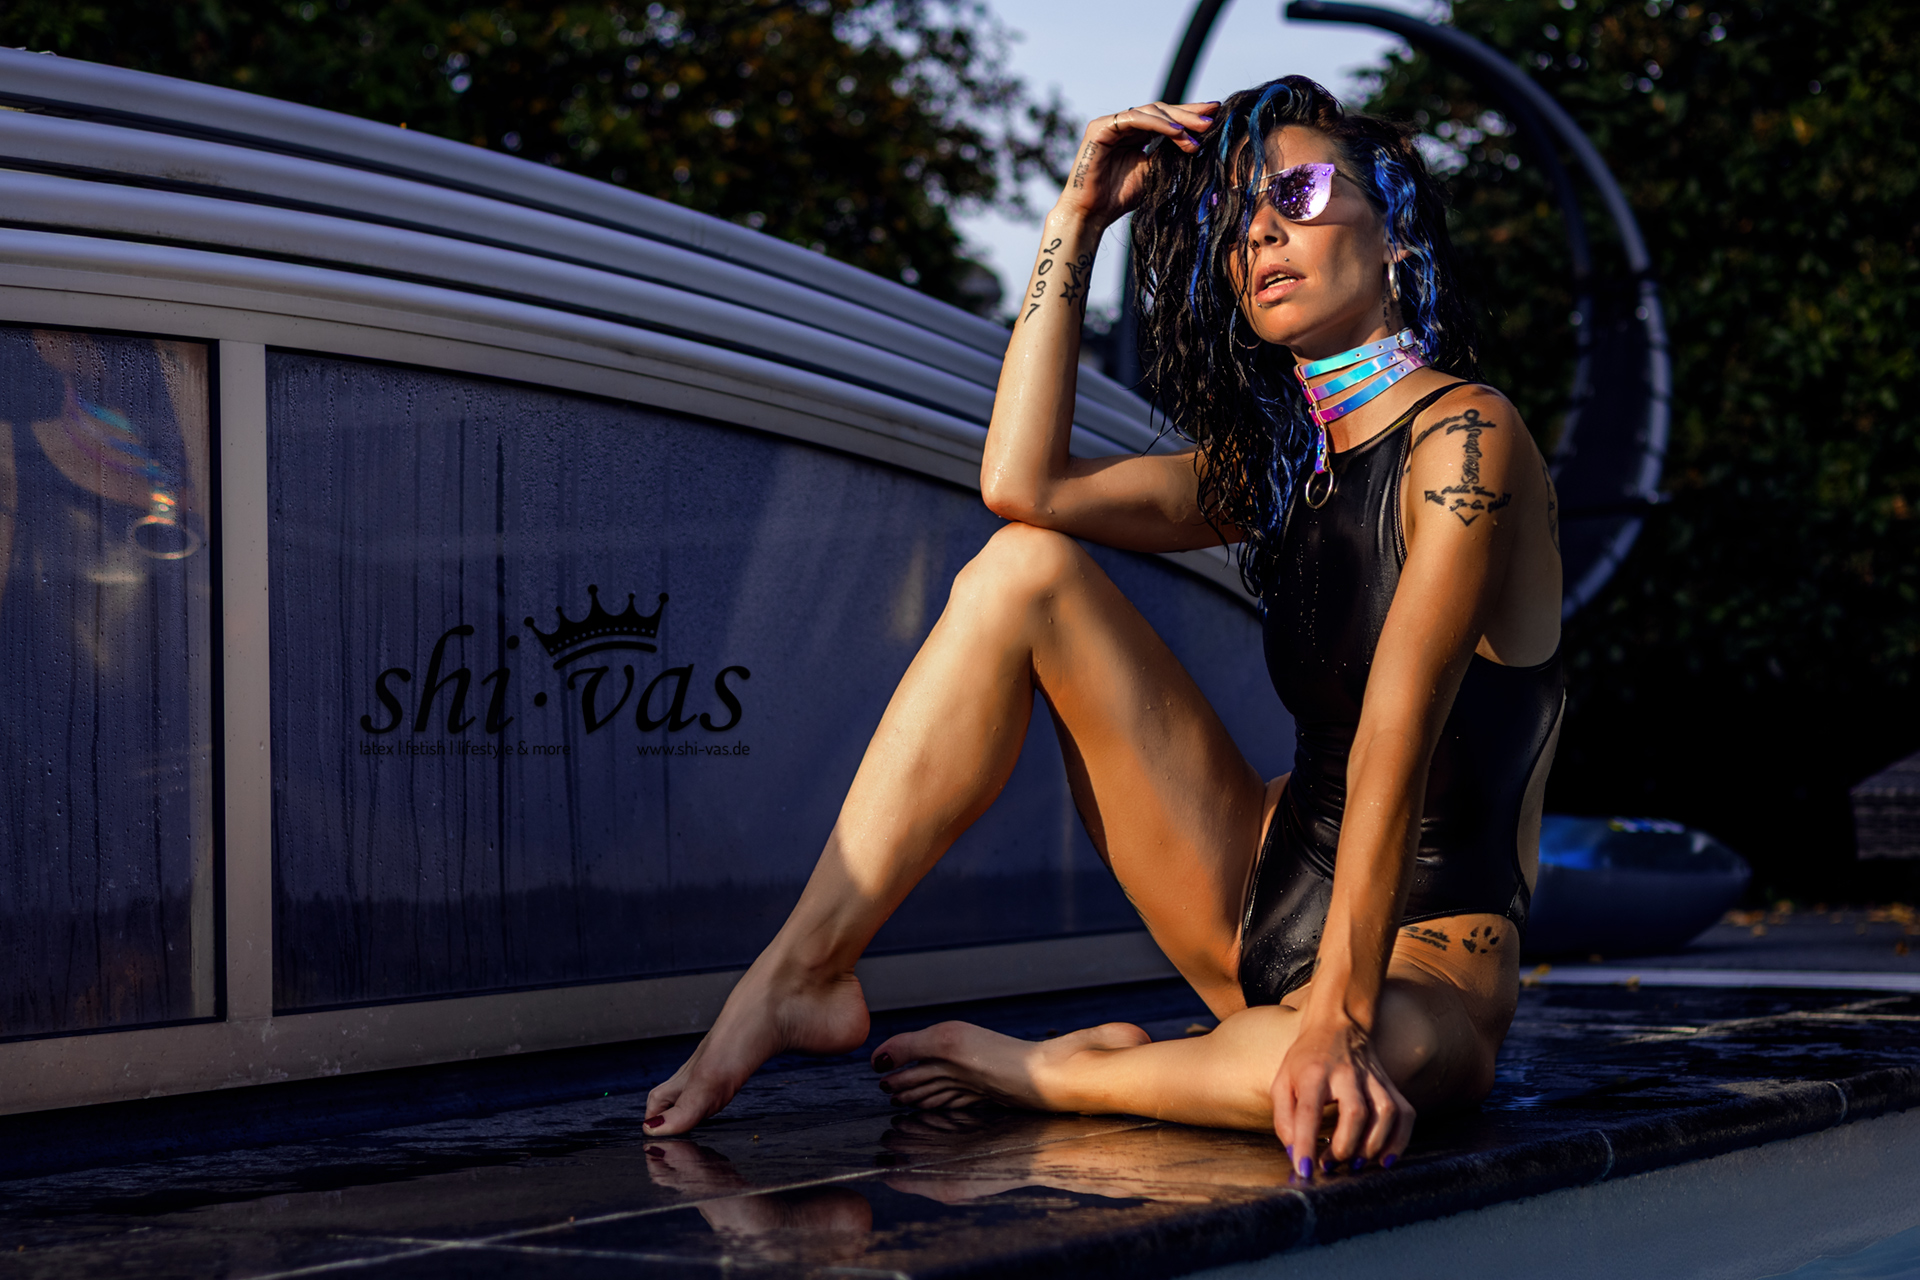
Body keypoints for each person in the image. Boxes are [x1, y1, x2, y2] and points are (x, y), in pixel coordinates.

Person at [644, 76, 1563, 1178]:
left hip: (1426, 963)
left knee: (1330, 1069)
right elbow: (1021, 483)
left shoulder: (1469, 438)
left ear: (1396, 233)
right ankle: (799, 970)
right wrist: (1078, 217)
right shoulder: (1282, 469)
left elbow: (1396, 732)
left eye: (1300, 194)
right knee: (1021, 570)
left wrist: (1336, 1014)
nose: (1260, 232)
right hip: (1253, 898)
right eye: (1234, 217)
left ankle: (1046, 1071)